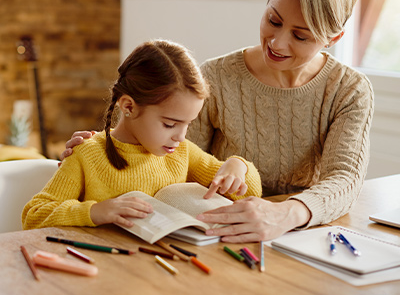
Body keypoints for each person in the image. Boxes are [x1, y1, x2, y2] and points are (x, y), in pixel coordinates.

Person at [61, 0, 374, 243]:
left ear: (333, 39)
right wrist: (102, 149)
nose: (277, 43)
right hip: (219, 237)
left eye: (301, 36)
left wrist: (286, 214)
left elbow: (344, 179)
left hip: (306, 235)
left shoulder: (349, 89)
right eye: (273, 21)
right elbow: (166, 157)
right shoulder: (216, 76)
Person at [22, 40, 262, 230]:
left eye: (188, 124)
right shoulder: (87, 154)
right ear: (128, 107)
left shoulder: (182, 152)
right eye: (170, 124)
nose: (181, 136)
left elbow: (252, 192)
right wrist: (95, 211)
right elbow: (34, 215)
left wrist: (237, 166)